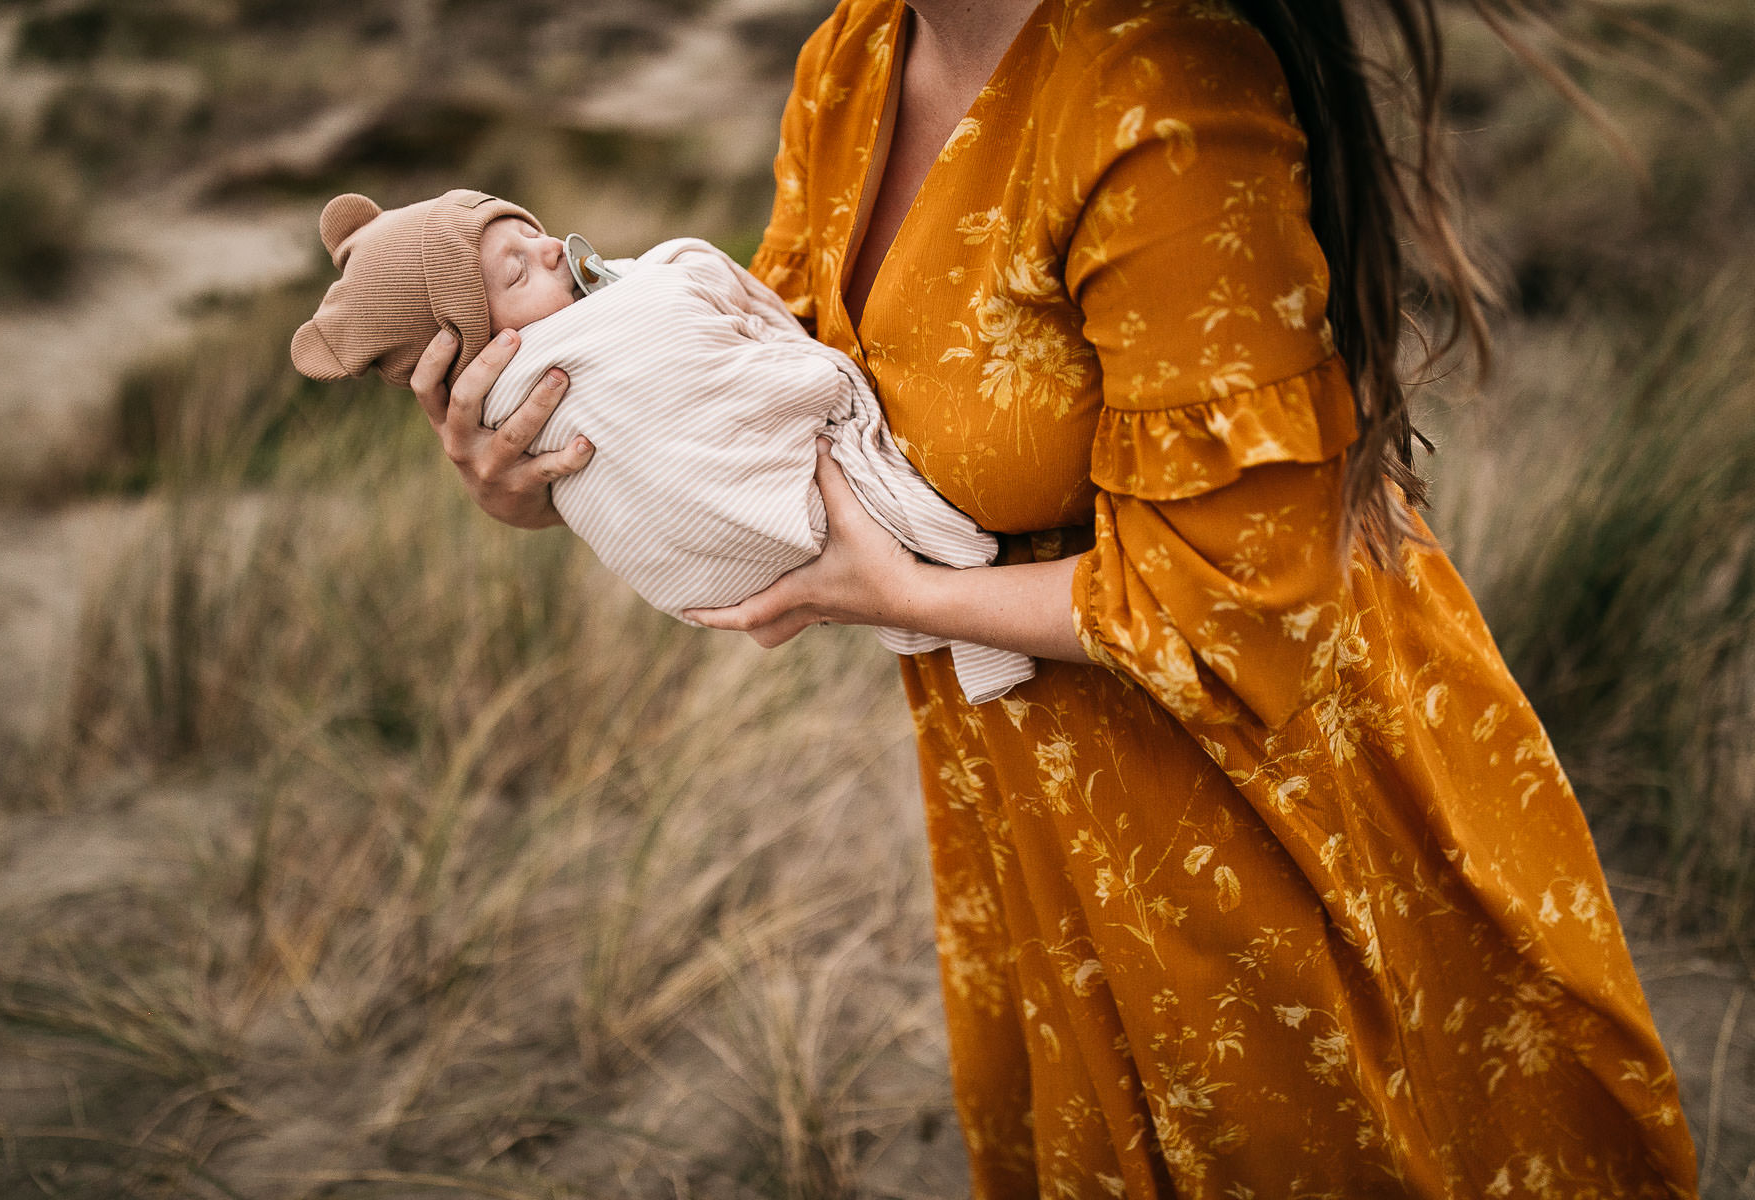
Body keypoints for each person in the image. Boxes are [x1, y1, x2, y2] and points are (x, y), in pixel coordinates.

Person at [410, 0, 1701, 1194]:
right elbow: (772, 415)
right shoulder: (852, 60)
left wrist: (903, 591)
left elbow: (1236, 603)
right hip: (1020, 802)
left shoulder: (1157, 91)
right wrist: (554, 467)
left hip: (1270, 804)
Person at [290, 188, 1033, 702]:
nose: (552, 249)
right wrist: (525, 498)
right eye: (515, 269)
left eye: (532, 231)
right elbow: (656, 461)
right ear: (476, 349)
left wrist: (915, 598)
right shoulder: (838, 77)